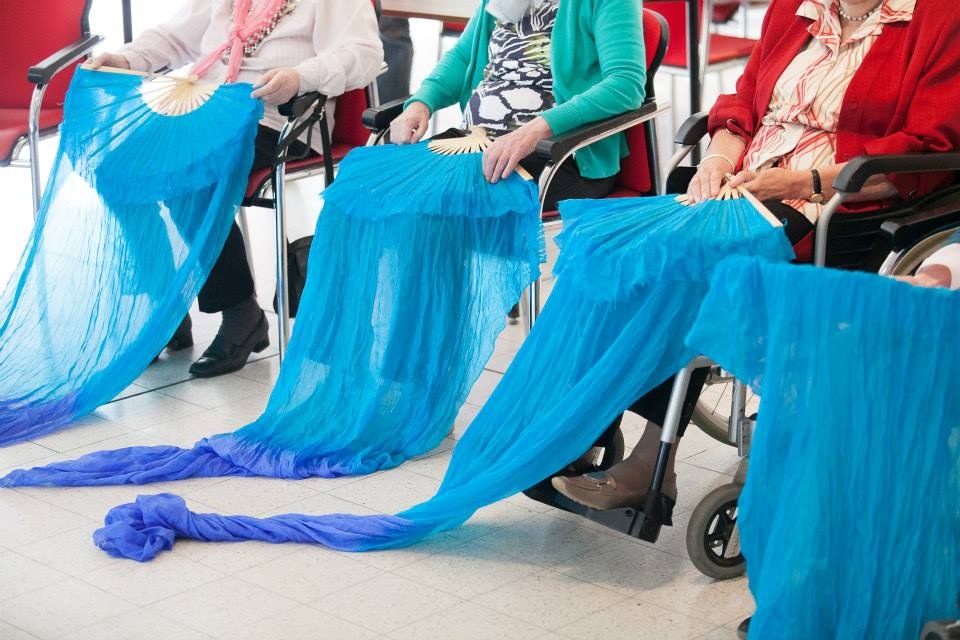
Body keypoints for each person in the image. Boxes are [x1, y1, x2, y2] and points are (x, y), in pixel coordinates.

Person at [555, 0, 960, 510]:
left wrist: (799, 182)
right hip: (745, 185)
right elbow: (744, 104)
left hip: (832, 199)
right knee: (622, 250)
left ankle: (651, 458)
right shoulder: (795, 9)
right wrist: (716, 161)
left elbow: (926, 147)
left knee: (692, 266)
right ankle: (588, 421)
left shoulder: (940, 19)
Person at [89, 0, 384, 377]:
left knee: (190, 175)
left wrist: (300, 76)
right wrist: (126, 59)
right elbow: (175, 37)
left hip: (276, 119)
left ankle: (241, 312)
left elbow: (365, 53)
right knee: (116, 171)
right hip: (206, 112)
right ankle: (166, 304)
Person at [387, 0, 646, 208]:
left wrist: (536, 129)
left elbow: (626, 84)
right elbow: (463, 57)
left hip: (558, 154)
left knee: (439, 198)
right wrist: (422, 102)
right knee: (389, 182)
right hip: (475, 141)